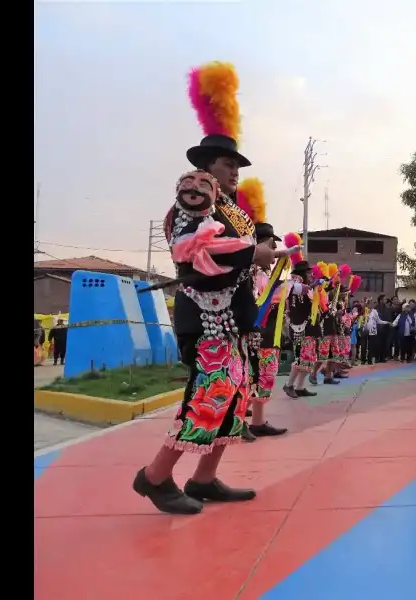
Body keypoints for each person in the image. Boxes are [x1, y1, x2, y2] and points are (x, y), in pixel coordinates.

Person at [133, 130, 277, 514]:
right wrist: (252, 253)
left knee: (234, 400)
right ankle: (155, 476)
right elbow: (196, 254)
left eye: (237, 167)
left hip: (235, 320)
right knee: (207, 399)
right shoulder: (193, 202)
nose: (235, 172)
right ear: (206, 167)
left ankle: (203, 478)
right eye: (228, 165)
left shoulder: (229, 208)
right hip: (208, 318)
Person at [243, 220, 289, 438]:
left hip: (269, 334)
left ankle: (258, 421)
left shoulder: (265, 274)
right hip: (254, 334)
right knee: (250, 375)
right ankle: (239, 421)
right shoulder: (251, 273)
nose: (274, 254)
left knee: (264, 376)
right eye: (272, 247)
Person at [282, 258, 318, 398]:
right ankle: (289, 384)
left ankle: (300, 387)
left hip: (308, 327)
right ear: (302, 274)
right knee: (300, 358)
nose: (311, 276)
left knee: (308, 359)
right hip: (300, 328)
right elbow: (295, 310)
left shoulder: (305, 288)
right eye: (309, 273)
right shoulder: (295, 288)